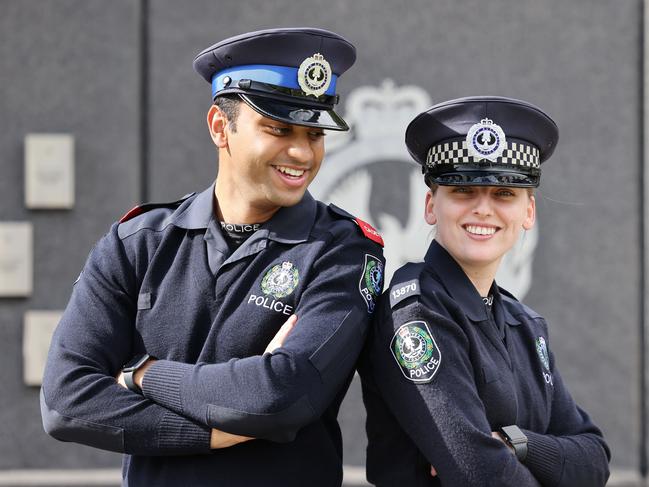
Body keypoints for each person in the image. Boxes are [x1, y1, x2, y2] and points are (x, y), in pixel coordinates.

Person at [41, 27, 385, 487]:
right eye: (279, 129)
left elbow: (282, 397)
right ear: (220, 128)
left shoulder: (342, 250)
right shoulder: (137, 242)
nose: (302, 152)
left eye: (314, 133)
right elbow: (66, 401)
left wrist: (143, 372)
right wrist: (212, 433)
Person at [359, 96, 610, 486]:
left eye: (504, 194)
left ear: (528, 212)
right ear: (430, 205)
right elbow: (480, 473)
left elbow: (594, 460)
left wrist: (518, 443)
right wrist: (531, 457)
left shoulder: (524, 323)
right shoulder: (416, 312)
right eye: (463, 191)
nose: (483, 209)